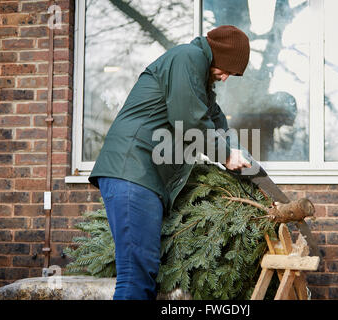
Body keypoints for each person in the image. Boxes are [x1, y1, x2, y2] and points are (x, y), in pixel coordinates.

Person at [89, 25, 252, 300]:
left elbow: (215, 120)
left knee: (144, 274)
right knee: (136, 278)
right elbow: (190, 120)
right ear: (219, 55)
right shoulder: (188, 57)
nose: (225, 78)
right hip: (133, 169)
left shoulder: (198, 78)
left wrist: (238, 152)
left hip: (144, 176)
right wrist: (225, 155)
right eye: (227, 70)